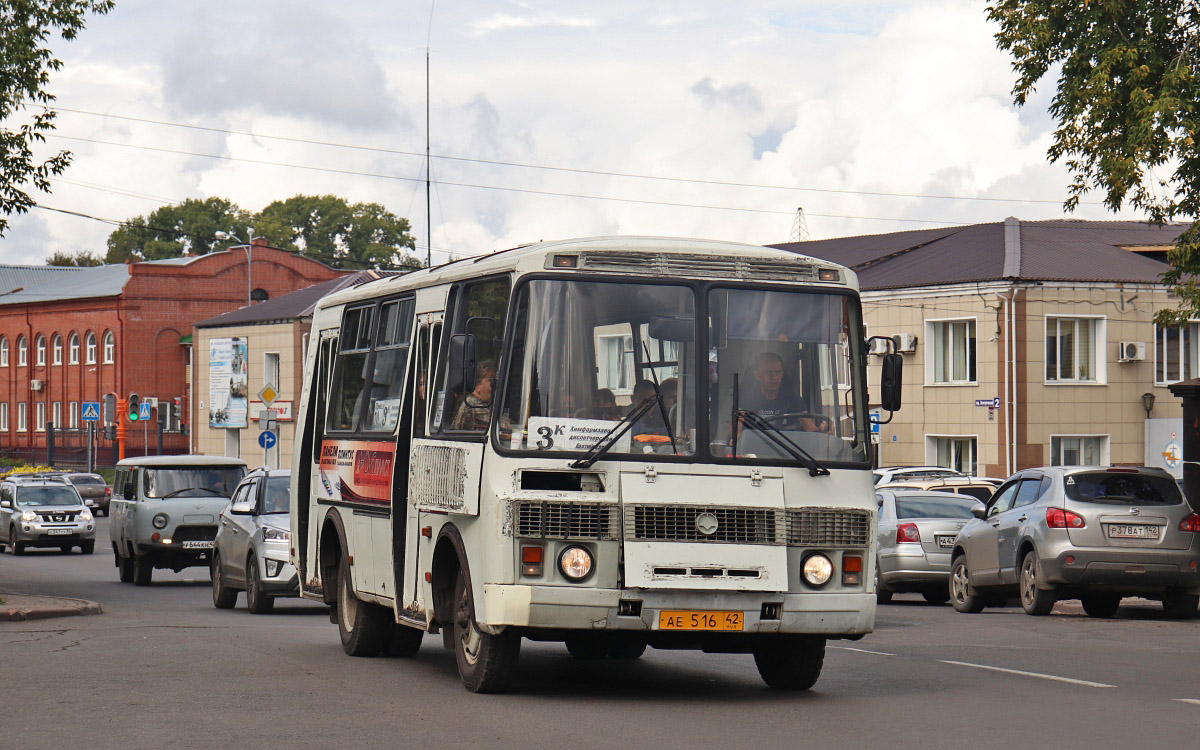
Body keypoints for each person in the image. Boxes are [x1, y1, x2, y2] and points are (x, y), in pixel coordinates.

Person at [741, 351, 828, 432]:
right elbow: (735, 436)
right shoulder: (746, 401)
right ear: (757, 375)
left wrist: (822, 430)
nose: (774, 377)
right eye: (768, 373)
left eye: (778, 372)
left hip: (786, 448)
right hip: (754, 448)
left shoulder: (793, 399)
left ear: (782, 374)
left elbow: (811, 429)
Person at [451, 360, 497, 431]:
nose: (495, 384)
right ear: (477, 385)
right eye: (490, 380)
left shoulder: (472, 400)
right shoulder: (473, 404)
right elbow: (497, 425)